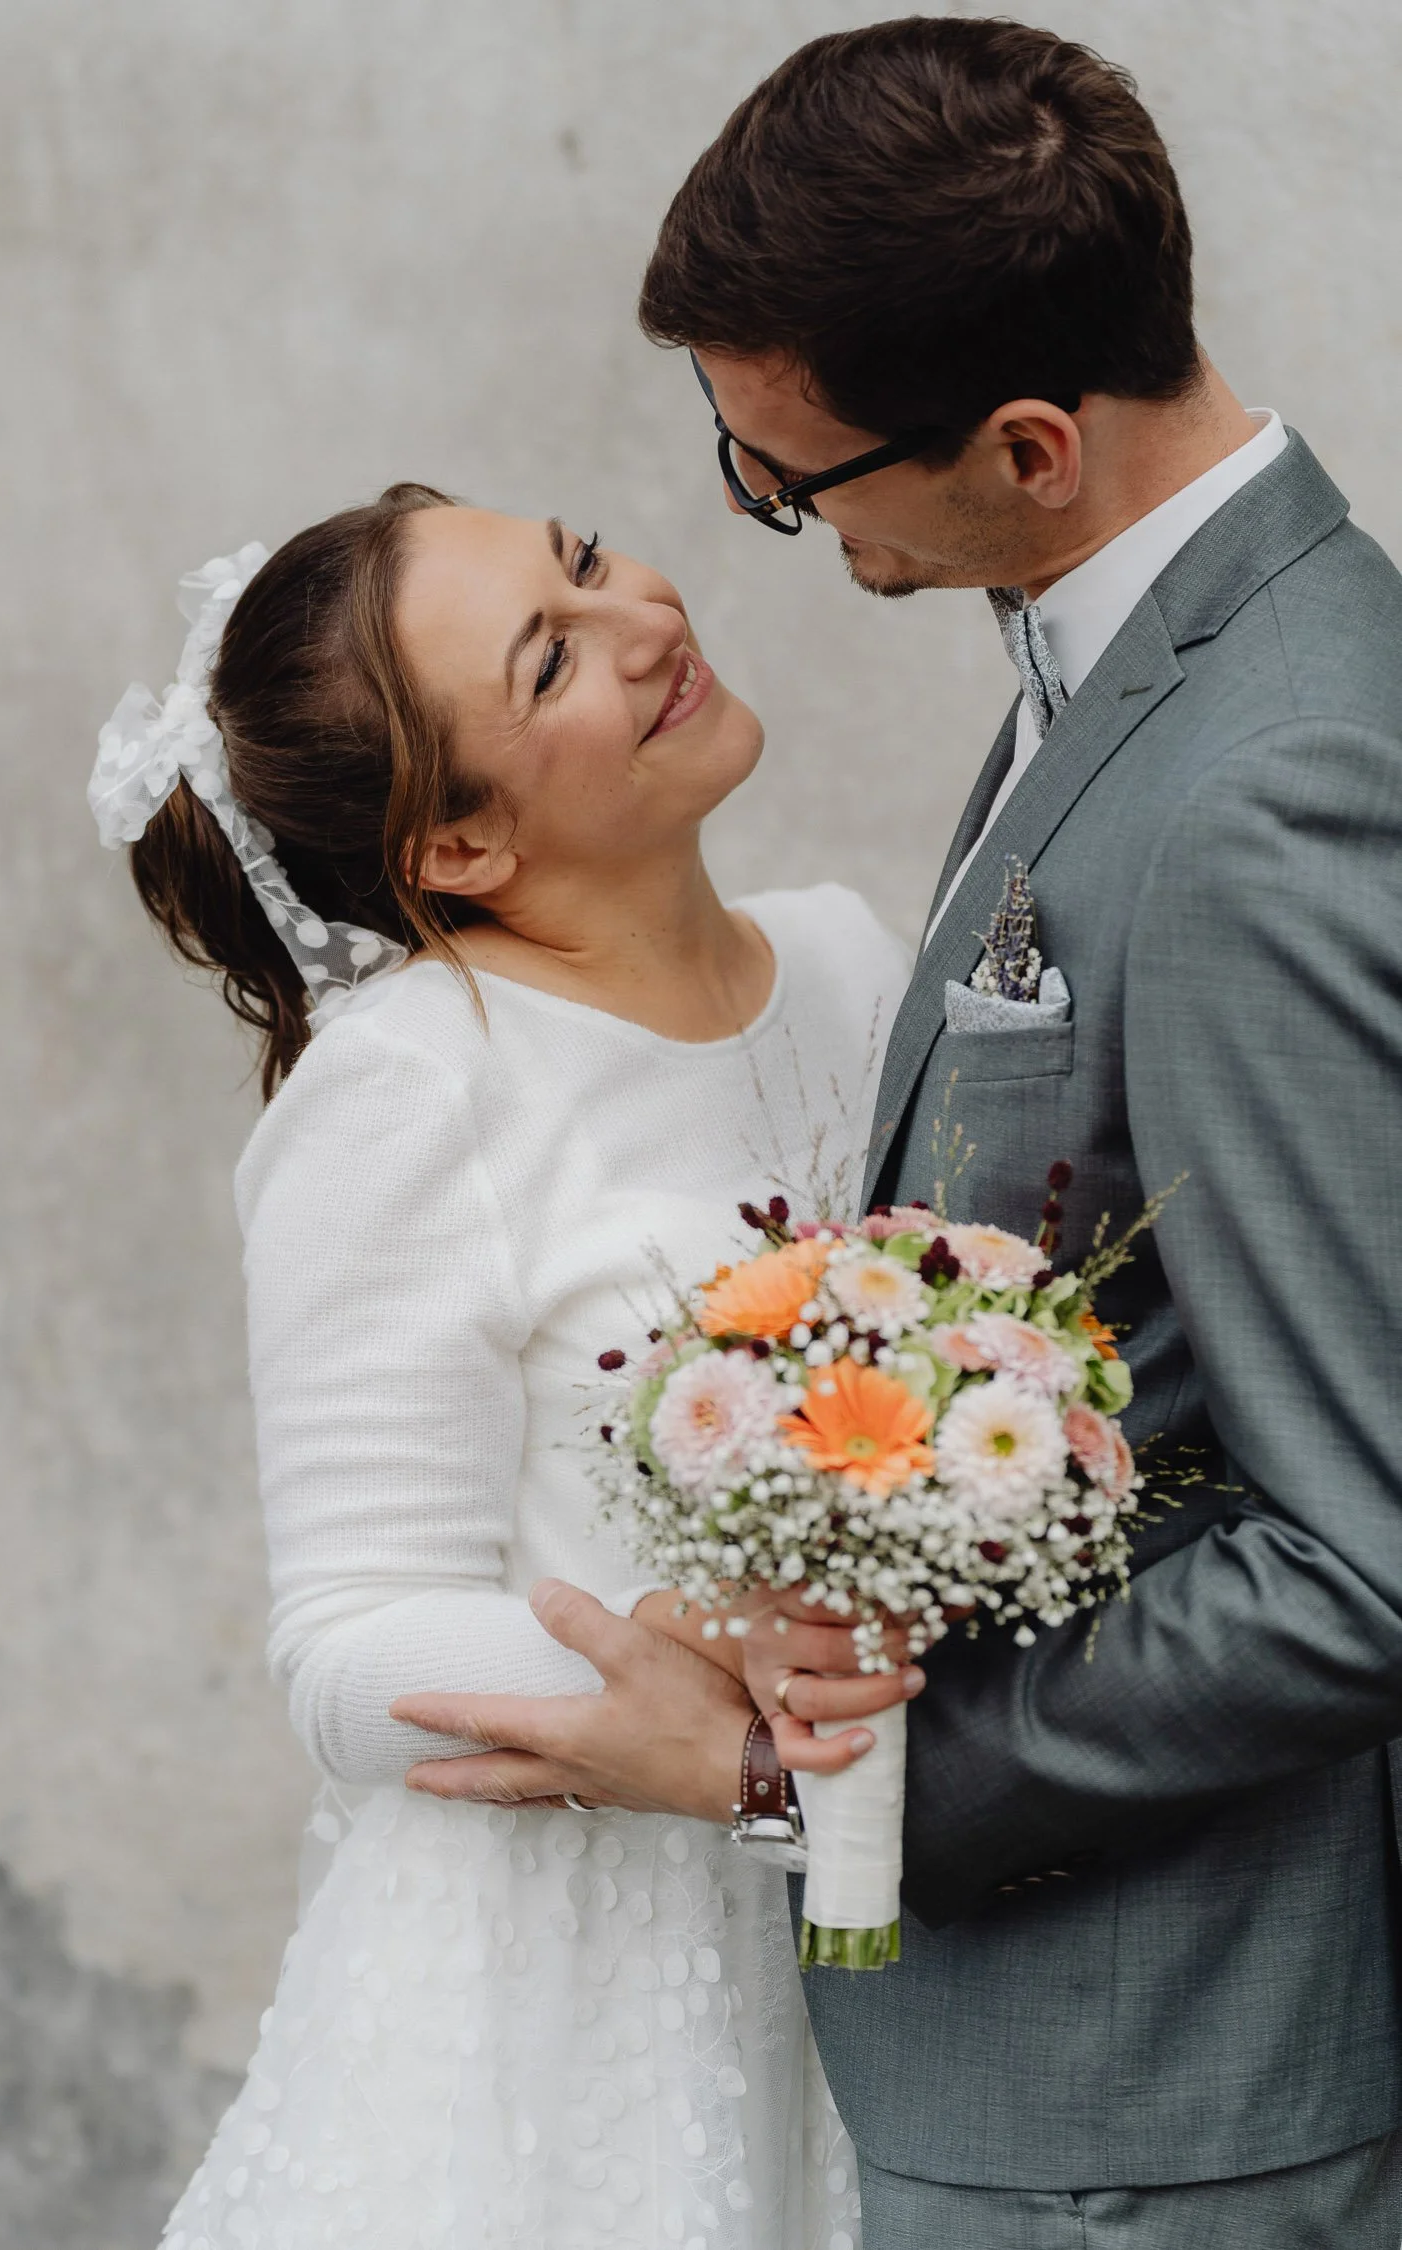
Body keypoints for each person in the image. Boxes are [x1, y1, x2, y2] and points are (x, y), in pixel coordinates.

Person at [401, 18, 1402, 2248]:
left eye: (796, 477)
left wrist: (800, 1780)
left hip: (1154, 2116)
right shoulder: (1154, 667)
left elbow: (1368, 1555)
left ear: (1032, 444)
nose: (760, 526)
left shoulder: (1274, 787)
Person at [91, 482, 911, 2248]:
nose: (643, 623)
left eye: (586, 555)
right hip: (574, 1986)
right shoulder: (414, 1089)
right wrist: (691, 1671)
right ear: (455, 849)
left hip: (880, 1927)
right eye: (553, 661)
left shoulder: (857, 958)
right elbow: (342, 1640)